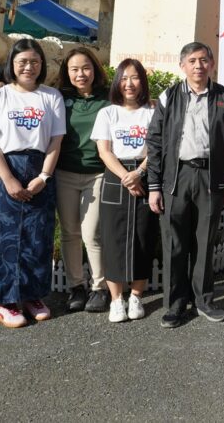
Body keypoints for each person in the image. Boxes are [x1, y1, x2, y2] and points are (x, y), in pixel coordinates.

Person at [0, 39, 65, 328]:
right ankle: (6, 301)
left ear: (42, 65)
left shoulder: (51, 97)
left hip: (38, 169)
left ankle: (32, 295)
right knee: (0, 237)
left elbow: (55, 140)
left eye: (34, 61)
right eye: (22, 61)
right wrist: (8, 179)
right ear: (11, 63)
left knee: (37, 235)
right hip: (3, 169)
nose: (28, 67)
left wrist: (44, 177)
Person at [146, 42, 224, 328]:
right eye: (193, 60)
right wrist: (154, 186)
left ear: (212, 64)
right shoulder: (170, 96)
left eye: (204, 60)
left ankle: (204, 300)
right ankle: (175, 304)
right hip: (177, 176)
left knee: (205, 241)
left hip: (211, 176)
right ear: (182, 65)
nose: (199, 66)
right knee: (174, 243)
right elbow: (155, 141)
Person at [92, 59, 156, 323]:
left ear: (143, 81)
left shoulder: (152, 112)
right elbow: (104, 151)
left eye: (135, 77)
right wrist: (126, 177)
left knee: (144, 236)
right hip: (116, 175)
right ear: (117, 82)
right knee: (113, 238)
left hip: (145, 173)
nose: (129, 84)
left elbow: (157, 147)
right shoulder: (107, 113)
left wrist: (139, 173)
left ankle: (137, 296)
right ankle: (117, 300)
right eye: (124, 78)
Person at [55, 47, 111, 313]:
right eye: (74, 69)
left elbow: (134, 105)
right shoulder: (59, 97)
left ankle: (100, 288)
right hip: (64, 173)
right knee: (70, 232)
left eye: (86, 68)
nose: (81, 74)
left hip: (97, 173)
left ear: (95, 70)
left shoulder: (109, 97)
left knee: (92, 233)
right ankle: (76, 286)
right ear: (67, 72)